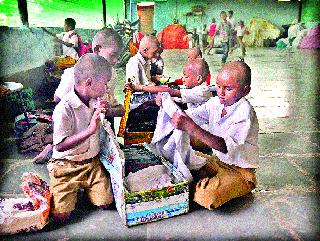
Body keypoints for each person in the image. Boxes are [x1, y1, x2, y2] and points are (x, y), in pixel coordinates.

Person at [171, 61, 258, 210]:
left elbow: (224, 146)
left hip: (239, 170)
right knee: (181, 156)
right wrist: (169, 107)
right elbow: (190, 116)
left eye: (228, 89)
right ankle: (204, 180)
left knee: (207, 196)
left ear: (245, 91)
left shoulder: (244, 113)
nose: (221, 93)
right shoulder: (216, 103)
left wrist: (191, 127)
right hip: (217, 160)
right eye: (218, 86)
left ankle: (229, 185)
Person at [33, 28, 125, 164]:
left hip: (95, 123)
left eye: (118, 56)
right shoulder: (75, 74)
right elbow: (58, 100)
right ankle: (51, 149)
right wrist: (81, 108)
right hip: (76, 127)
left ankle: (103, 146)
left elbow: (113, 104)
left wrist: (107, 109)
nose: (117, 60)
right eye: (113, 55)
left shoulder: (112, 74)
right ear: (97, 49)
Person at [48, 53, 114, 222]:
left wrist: (104, 109)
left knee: (106, 202)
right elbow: (60, 146)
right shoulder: (64, 108)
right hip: (66, 166)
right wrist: (90, 130)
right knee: (60, 215)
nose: (107, 88)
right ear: (89, 83)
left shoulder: (94, 100)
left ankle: (82, 189)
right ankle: (66, 188)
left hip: (91, 164)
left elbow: (104, 113)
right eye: (105, 83)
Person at [125, 58, 212, 111]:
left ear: (198, 79)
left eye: (186, 77)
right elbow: (176, 98)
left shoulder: (202, 91)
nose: (183, 79)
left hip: (199, 125)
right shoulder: (194, 89)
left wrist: (140, 87)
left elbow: (170, 91)